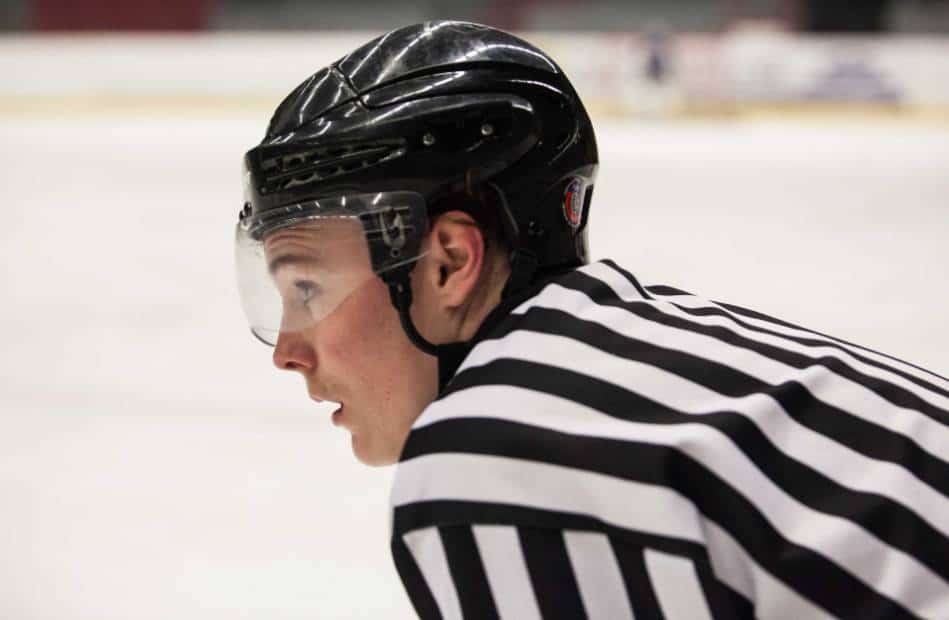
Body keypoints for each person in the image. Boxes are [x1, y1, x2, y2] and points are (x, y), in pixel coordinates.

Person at [235, 21, 949, 620]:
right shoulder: (675, 345)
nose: (288, 350)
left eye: (307, 286)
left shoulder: (497, 461)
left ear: (447, 262)